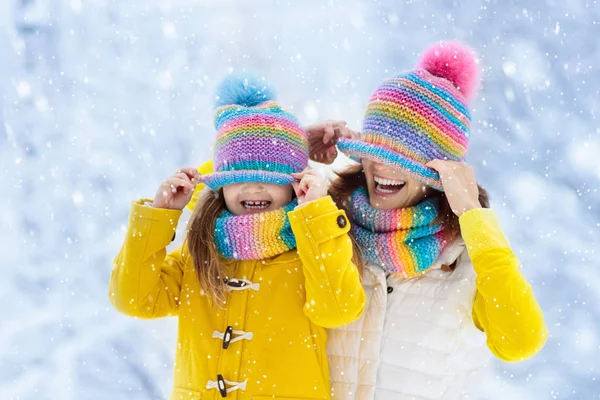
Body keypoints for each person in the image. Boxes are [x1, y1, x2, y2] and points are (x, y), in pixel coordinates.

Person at [307, 42, 548, 399]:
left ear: (440, 174)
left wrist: (472, 214)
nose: (382, 167)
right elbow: (216, 200)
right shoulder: (324, 225)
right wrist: (289, 147)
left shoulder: (468, 257)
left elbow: (520, 342)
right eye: (376, 153)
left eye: (405, 159)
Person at [109, 73, 366, 399]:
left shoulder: (311, 243)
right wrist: (160, 217)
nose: (253, 187)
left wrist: (316, 215)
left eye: (269, 177)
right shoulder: (201, 251)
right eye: (238, 177)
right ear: (221, 184)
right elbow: (132, 297)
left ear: (295, 182)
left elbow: (338, 309)